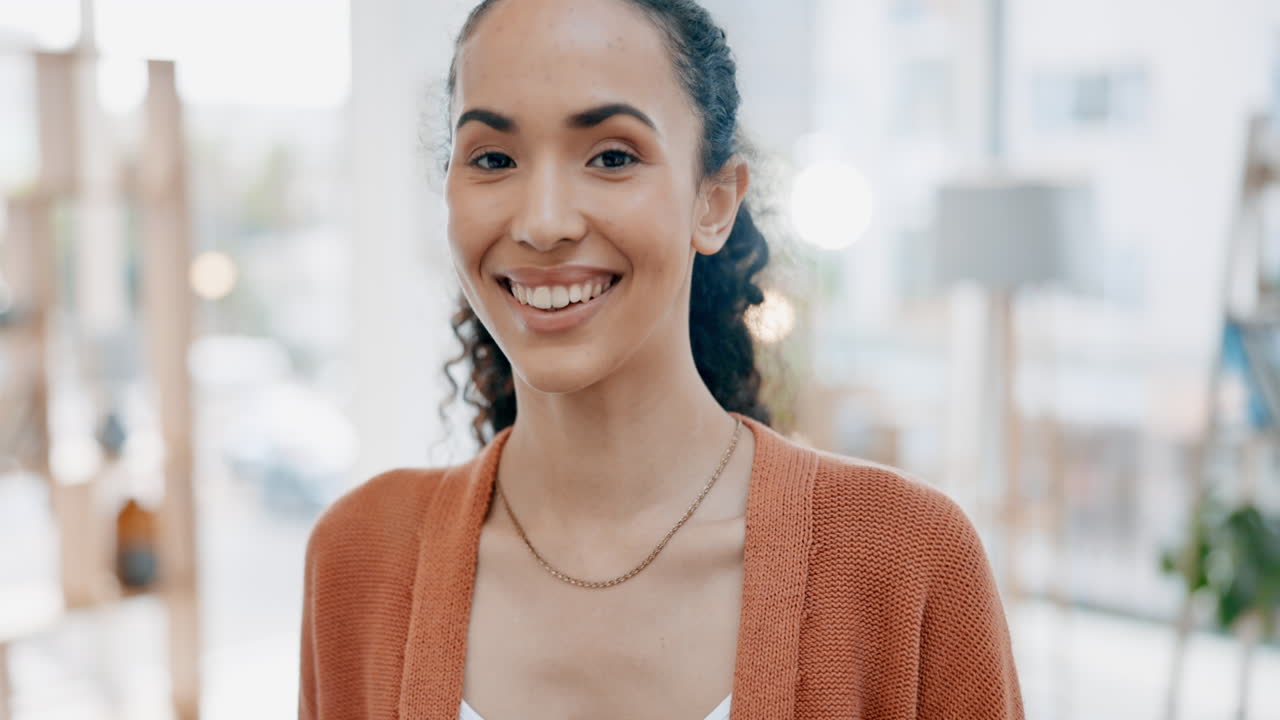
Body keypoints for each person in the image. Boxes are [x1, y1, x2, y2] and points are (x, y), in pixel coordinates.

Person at [298, 0, 1025, 718]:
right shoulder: (361, 559)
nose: (543, 222)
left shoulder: (905, 559)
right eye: (493, 158)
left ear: (714, 201)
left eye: (612, 156)